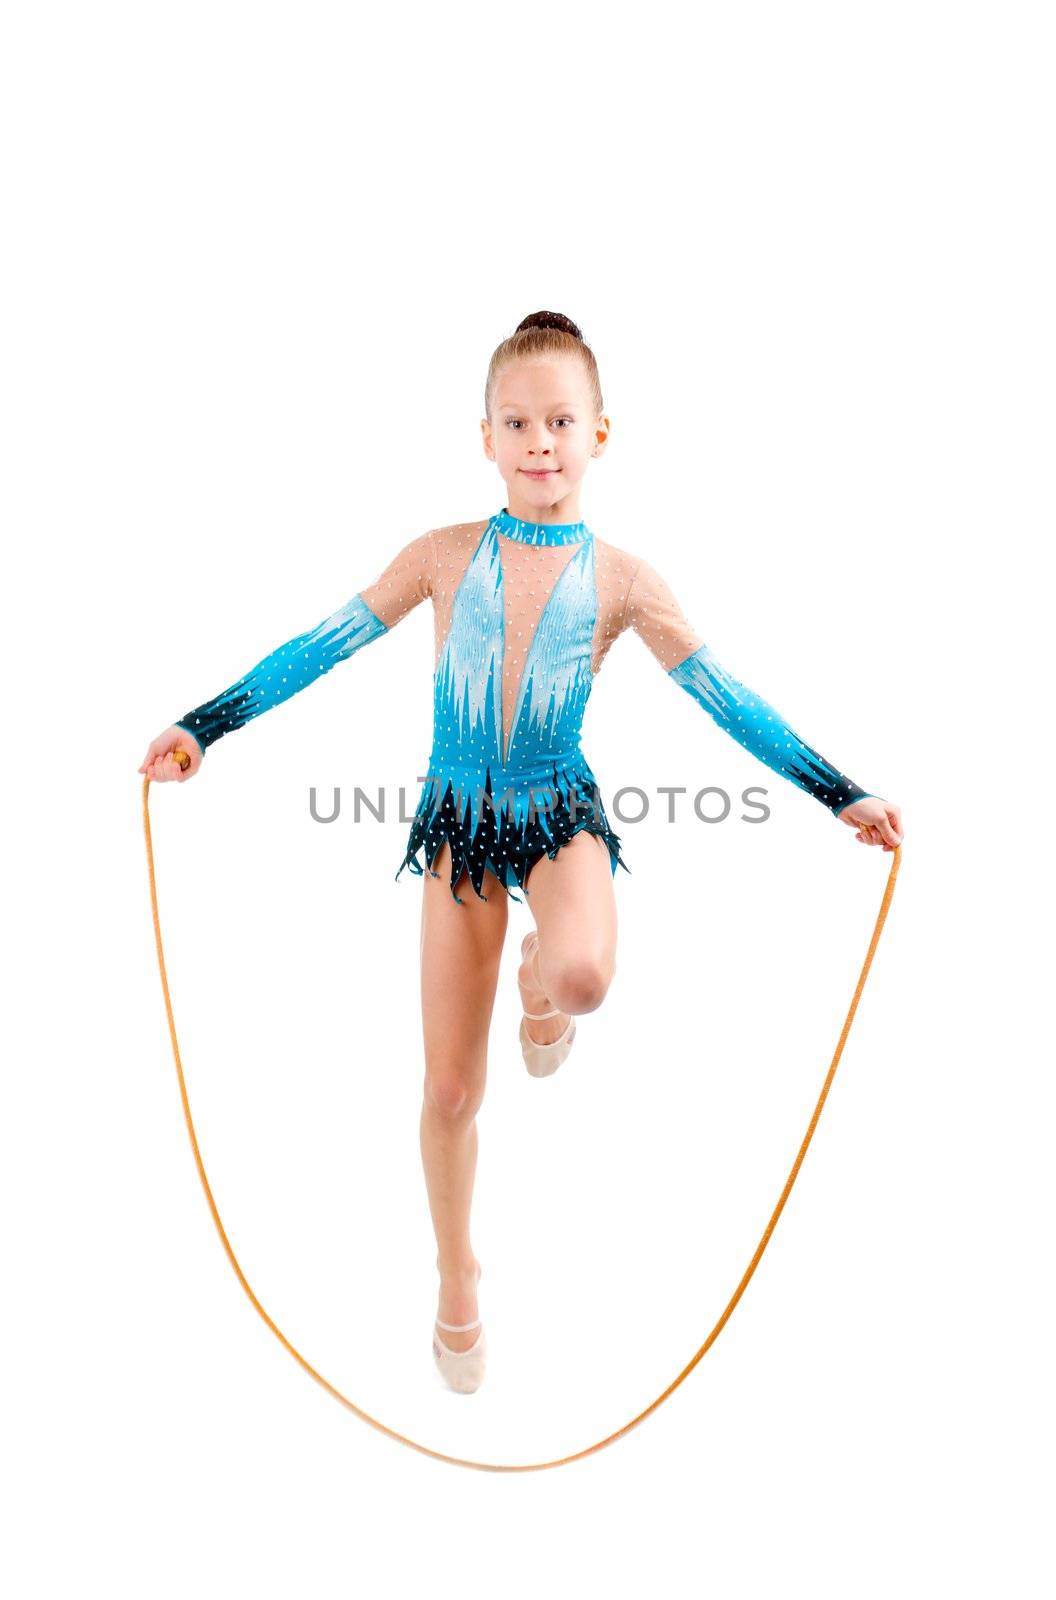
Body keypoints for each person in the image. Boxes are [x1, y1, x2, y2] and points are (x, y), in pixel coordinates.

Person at [139, 310, 904, 1396]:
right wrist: (204, 724)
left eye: (560, 419)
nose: (539, 439)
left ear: (600, 433)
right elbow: (326, 642)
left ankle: (542, 992)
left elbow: (723, 695)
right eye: (517, 421)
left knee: (585, 971)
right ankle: (458, 1268)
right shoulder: (445, 555)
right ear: (486, 437)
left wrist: (840, 790)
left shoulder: (626, 579)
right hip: (457, 825)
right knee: (451, 1091)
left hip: (556, 813)